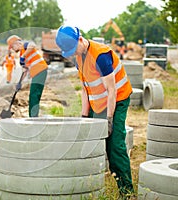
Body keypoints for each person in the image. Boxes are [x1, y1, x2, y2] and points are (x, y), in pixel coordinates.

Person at [55, 25, 134, 198]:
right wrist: (84, 117)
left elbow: (112, 90)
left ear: (81, 39)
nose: (73, 53)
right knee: (89, 139)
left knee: (115, 144)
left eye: (73, 49)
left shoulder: (101, 56)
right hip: (98, 102)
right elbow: (85, 89)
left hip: (118, 99)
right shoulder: (79, 58)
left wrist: (109, 119)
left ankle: (127, 191)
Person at [7, 35, 48, 117]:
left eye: (12, 47)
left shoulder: (25, 45)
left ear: (16, 43)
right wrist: (19, 83)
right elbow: (25, 70)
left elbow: (33, 45)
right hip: (38, 72)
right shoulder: (22, 53)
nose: (12, 49)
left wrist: (23, 56)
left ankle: (33, 117)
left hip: (40, 70)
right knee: (34, 94)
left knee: (33, 94)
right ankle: (33, 116)